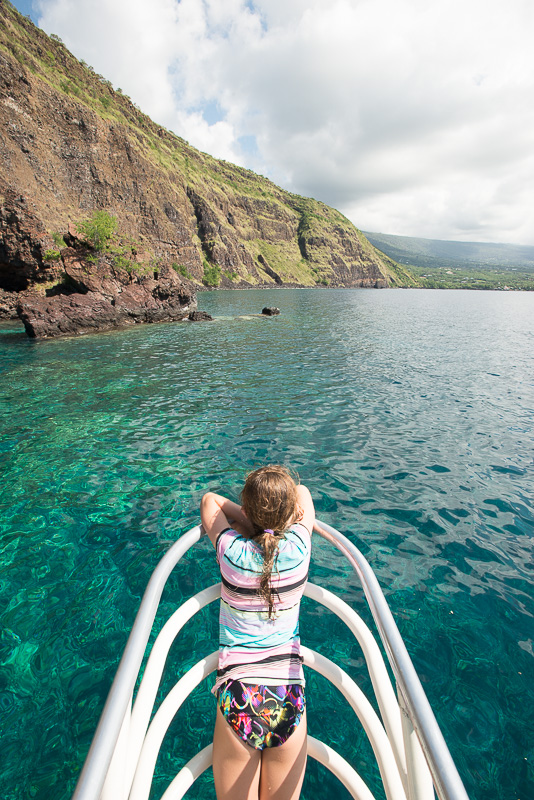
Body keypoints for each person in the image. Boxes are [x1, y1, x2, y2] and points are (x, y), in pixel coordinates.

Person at [200, 465, 315, 800]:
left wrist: (249, 521)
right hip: (288, 696)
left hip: (240, 694)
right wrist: (273, 519)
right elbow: (304, 494)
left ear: (247, 512)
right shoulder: (298, 551)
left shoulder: (233, 555)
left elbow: (210, 502)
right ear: (292, 514)